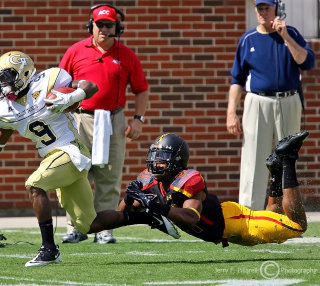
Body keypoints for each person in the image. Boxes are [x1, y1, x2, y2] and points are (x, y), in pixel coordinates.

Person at [0, 51, 177, 267]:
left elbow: (91, 86)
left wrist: (73, 95)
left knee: (35, 185)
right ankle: (147, 215)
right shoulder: (4, 110)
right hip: (53, 157)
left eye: (8, 76)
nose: (3, 83)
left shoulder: (49, 80)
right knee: (89, 224)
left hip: (71, 151)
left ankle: (49, 249)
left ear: (24, 73)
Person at [58, 3, 149, 244]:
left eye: (109, 25)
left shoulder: (126, 55)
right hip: (80, 117)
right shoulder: (76, 51)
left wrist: (138, 119)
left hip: (113, 119)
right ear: (91, 26)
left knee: (109, 175)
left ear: (117, 27)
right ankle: (74, 226)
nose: (104, 29)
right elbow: (59, 84)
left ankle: (104, 227)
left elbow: (141, 90)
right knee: (77, 173)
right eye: (99, 25)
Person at [121, 131, 309, 247]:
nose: (156, 162)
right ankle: (275, 173)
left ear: (176, 160)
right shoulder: (151, 183)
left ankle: (287, 160)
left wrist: (153, 205)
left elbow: (189, 215)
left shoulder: (187, 180)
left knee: (298, 226)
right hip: (229, 224)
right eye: (155, 156)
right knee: (275, 220)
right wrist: (130, 197)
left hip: (236, 221)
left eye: (162, 157)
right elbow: (124, 213)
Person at [226, 0, 315, 210]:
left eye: (267, 8)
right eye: (260, 9)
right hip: (258, 102)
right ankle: (249, 215)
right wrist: (231, 112)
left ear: (277, 10)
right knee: (254, 159)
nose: (263, 12)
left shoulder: (291, 33)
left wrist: (285, 37)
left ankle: (289, 215)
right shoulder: (248, 39)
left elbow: (307, 62)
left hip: (289, 100)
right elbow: (237, 80)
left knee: (288, 159)